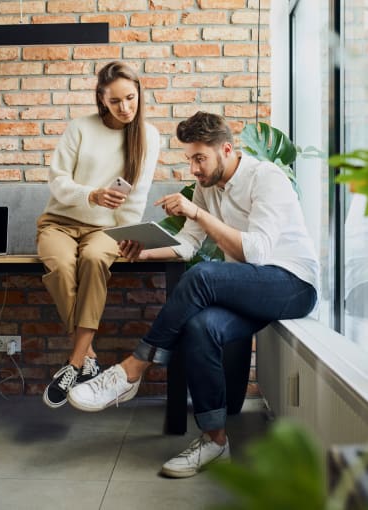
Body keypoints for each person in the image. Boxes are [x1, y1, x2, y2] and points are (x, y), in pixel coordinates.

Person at [67, 111, 319, 478]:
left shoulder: (267, 178)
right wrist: (144, 250)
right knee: (201, 327)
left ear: (227, 150)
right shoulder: (207, 186)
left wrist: (198, 213)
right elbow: (187, 244)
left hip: (292, 283)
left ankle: (131, 369)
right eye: (189, 158)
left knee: (202, 275)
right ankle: (215, 441)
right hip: (251, 286)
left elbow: (257, 253)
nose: (194, 168)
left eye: (200, 158)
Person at [37, 61, 160, 409]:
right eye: (116, 101)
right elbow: (57, 181)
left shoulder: (148, 136)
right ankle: (88, 355)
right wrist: (90, 194)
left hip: (106, 228)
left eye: (130, 98)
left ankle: (74, 363)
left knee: (93, 259)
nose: (125, 108)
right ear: (102, 100)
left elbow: (137, 196)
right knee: (61, 267)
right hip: (59, 221)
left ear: (139, 95)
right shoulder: (80, 128)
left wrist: (129, 235)